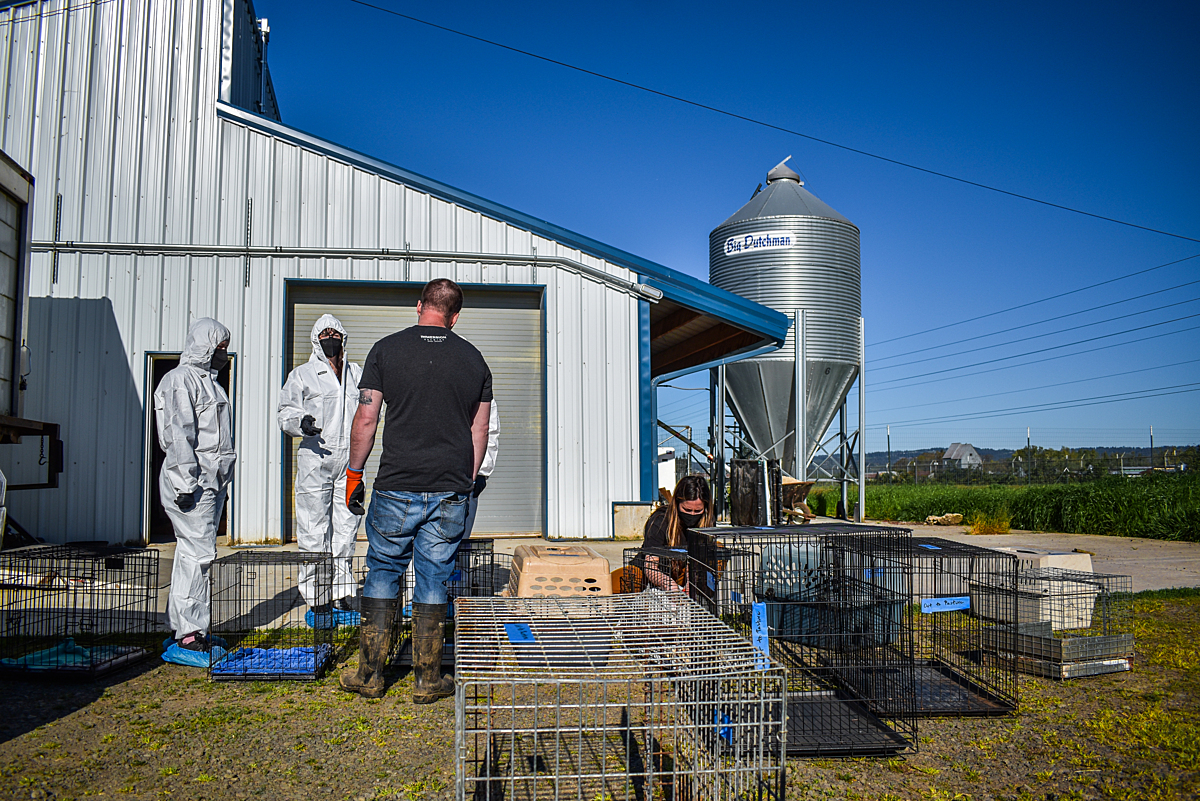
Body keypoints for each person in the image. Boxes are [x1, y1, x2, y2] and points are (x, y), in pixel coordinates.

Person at [340, 278, 492, 703]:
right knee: (434, 577)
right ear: (455, 315)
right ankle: (428, 680)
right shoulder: (474, 360)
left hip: (396, 487)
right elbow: (478, 430)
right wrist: (466, 478)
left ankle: (370, 674)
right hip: (449, 490)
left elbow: (366, 420)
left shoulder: (386, 350)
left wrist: (354, 473)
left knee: (385, 570)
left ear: (420, 305)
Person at [155, 318, 237, 667]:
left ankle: (187, 629)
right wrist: (185, 484)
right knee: (195, 558)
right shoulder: (179, 381)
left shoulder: (210, 384)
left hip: (208, 484)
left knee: (195, 555)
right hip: (192, 484)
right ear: (205, 346)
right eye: (219, 347)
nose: (223, 354)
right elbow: (178, 436)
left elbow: (216, 442)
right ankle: (189, 635)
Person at [278, 314, 363, 628]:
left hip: (351, 462)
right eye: (324, 333)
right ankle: (318, 602)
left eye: (335, 332)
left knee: (346, 530)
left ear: (343, 337)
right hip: (316, 459)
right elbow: (285, 411)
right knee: (314, 531)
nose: (330, 338)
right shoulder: (302, 374)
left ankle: (341, 596)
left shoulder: (357, 374)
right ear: (316, 339)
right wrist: (300, 423)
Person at [640, 475, 714, 592]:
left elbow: (697, 561)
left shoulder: (707, 522)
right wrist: (665, 582)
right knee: (624, 579)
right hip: (654, 571)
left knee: (719, 549)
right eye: (687, 510)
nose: (693, 515)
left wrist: (692, 584)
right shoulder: (660, 520)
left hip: (683, 570)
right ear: (677, 504)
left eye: (698, 511)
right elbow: (650, 564)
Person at [462, 399, 500, 539]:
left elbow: (488, 432)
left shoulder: (480, 391)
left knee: (460, 541)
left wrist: (481, 473)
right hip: (460, 476)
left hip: (468, 478)